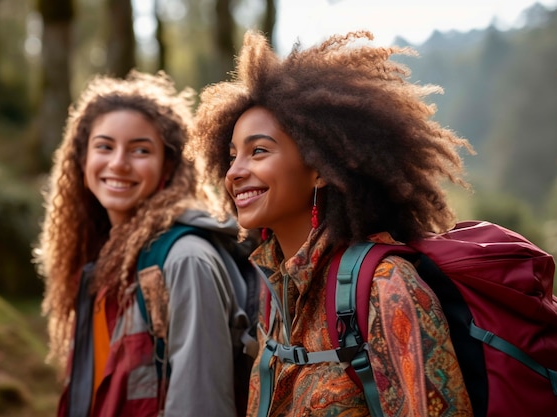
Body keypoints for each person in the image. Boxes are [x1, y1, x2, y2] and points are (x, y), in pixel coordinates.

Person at [191, 30, 475, 416]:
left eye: (258, 151)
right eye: (232, 156)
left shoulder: (386, 286)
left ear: (320, 170)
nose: (235, 172)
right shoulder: (272, 288)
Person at [34, 70, 244, 417]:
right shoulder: (103, 261)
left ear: (168, 166)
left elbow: (200, 404)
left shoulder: (184, 258)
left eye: (140, 150)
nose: (118, 163)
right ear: (82, 160)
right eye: (104, 146)